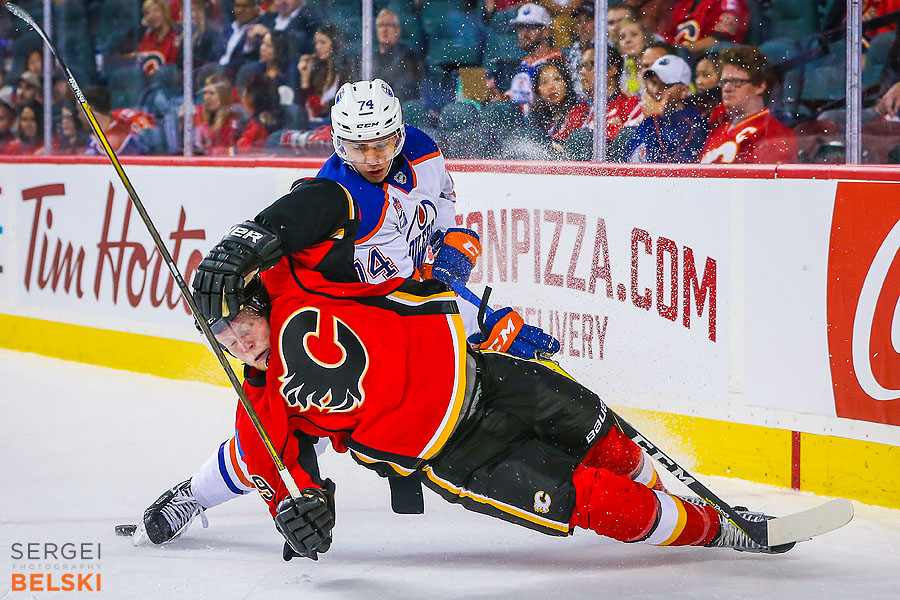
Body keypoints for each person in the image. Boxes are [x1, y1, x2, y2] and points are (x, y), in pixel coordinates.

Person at [187, 177, 793, 561]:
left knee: (605, 439)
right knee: (586, 498)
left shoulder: (303, 277)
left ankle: (679, 498)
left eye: (241, 321)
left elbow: (330, 199)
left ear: (258, 297)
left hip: (486, 376)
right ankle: (716, 532)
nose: (239, 343)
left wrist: (248, 239)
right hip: (456, 456)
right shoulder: (261, 400)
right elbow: (278, 472)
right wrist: (302, 512)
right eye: (221, 338)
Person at [136, 79, 504, 543]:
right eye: (356, 146)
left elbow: (442, 204)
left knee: (506, 353)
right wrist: (239, 249)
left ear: (400, 133)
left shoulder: (424, 151)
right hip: (352, 325)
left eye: (382, 144)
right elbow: (285, 222)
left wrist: (449, 245)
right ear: (337, 141)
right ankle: (197, 493)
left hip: (412, 310)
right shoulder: (336, 194)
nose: (371, 158)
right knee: (281, 420)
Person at [700, 45, 797, 164]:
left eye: (736, 82)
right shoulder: (719, 128)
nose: (727, 88)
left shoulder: (774, 134)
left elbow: (761, 181)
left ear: (760, 86)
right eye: (724, 82)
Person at [552, 45, 642, 151]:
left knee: (582, 137)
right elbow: (557, 146)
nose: (582, 72)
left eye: (590, 65)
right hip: (578, 167)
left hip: (614, 167)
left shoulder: (630, 105)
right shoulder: (578, 110)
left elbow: (634, 144)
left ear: (611, 70)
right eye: (581, 66)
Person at [623, 54, 709, 162]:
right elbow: (627, 160)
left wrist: (654, 117)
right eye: (654, 83)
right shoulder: (650, 120)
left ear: (684, 91)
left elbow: (668, 168)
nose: (656, 90)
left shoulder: (694, 125)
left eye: (665, 85)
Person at [496, 3, 563, 111]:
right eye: (520, 27)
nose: (523, 33)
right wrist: (500, 97)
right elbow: (518, 96)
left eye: (530, 27)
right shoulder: (526, 62)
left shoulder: (556, 61)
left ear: (545, 31)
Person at [296, 25, 354, 120]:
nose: (317, 47)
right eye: (316, 43)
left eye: (322, 42)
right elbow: (303, 106)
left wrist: (324, 107)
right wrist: (305, 77)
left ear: (335, 44)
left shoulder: (346, 69)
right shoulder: (318, 69)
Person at [80, 86, 157, 156]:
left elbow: (154, 141)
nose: (79, 116)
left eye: (80, 111)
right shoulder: (92, 139)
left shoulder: (128, 118)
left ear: (90, 109)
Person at [660, 0, 749, 56]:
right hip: (682, 55)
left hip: (708, 57)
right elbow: (668, 36)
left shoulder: (728, 2)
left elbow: (719, 39)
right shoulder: (682, 4)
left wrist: (683, 50)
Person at [373, 8, 422, 102]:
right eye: (381, 25)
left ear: (397, 30)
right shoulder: (369, 57)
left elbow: (405, 91)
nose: (384, 29)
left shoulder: (408, 57)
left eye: (389, 25)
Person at [528, 59, 578, 139]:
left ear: (566, 83)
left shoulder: (579, 112)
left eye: (556, 79)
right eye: (544, 82)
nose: (551, 87)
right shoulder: (536, 118)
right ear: (538, 90)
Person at [193, 76, 240, 155]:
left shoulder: (231, 121)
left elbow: (231, 152)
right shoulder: (200, 118)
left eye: (212, 93)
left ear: (223, 96)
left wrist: (206, 150)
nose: (207, 97)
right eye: (205, 93)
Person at [218, 0, 262, 79]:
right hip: (218, 70)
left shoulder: (258, 30)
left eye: (245, 6)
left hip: (236, 75)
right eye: (237, 6)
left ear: (255, 9)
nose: (240, 10)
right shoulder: (228, 29)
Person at [135, 0, 180, 75]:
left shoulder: (176, 36)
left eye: (156, 10)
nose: (152, 16)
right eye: (148, 13)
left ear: (165, 12)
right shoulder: (147, 38)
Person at [616, 18, 652, 95]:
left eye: (634, 35)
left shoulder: (654, 65)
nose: (627, 40)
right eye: (622, 37)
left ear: (646, 38)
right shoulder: (620, 69)